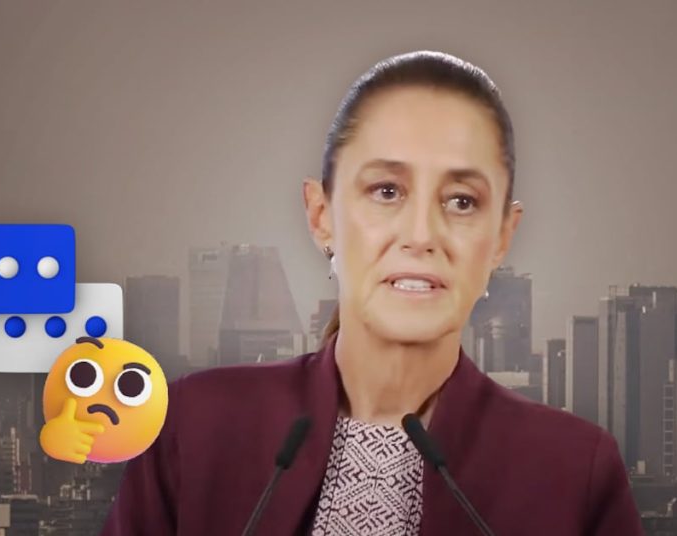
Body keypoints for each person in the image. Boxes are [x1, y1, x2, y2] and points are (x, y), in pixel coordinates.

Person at [101, 50, 644, 535]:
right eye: (387, 191)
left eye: (461, 201)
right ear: (321, 215)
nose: (421, 234)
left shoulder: (573, 471)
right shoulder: (195, 426)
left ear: (502, 236)